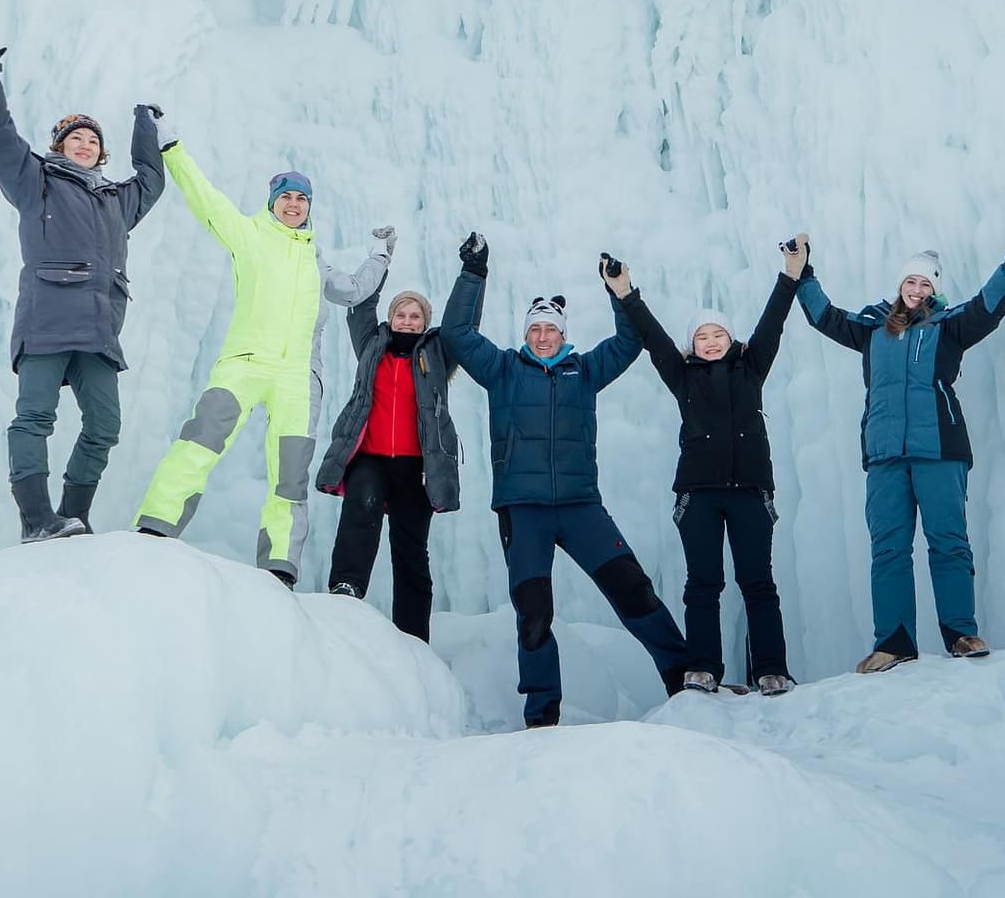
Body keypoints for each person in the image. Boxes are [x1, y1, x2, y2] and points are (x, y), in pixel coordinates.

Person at [440, 233, 692, 728]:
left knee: (633, 589)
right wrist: (474, 273)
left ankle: (684, 679)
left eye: (549, 329)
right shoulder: (504, 370)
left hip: (581, 507)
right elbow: (458, 334)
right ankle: (542, 715)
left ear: (562, 333)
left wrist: (619, 291)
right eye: (534, 328)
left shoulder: (586, 370)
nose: (541, 336)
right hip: (524, 509)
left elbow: (630, 342)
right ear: (527, 332)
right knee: (534, 613)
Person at [130, 135, 391, 587]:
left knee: (290, 475)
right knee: (200, 441)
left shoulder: (315, 260)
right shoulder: (249, 236)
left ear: (309, 207)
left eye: (301, 199)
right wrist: (172, 149)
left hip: (297, 378)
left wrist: (381, 255)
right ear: (272, 203)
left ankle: (279, 566)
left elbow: (352, 290)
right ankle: (156, 524)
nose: (293, 205)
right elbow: (207, 202)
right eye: (285, 197)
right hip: (244, 363)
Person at [794, 217, 1005, 673]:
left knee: (948, 541)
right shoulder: (872, 327)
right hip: (887, 455)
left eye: (924, 282)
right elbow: (824, 317)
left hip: (939, 450)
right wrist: (804, 275)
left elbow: (988, 307)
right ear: (899, 286)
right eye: (909, 280)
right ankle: (893, 642)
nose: (915, 288)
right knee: (888, 546)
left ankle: (961, 633)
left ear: (933, 290)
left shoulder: (949, 327)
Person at [0, 26, 166, 542]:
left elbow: (151, 179)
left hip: (99, 330)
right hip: (48, 320)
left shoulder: (117, 200)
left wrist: (144, 122)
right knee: (34, 417)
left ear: (101, 154)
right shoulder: (37, 182)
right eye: (75, 137)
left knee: (104, 426)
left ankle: (74, 515)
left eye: (93, 140)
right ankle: (36, 519)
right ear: (60, 147)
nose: (85, 143)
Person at [620, 245, 803, 696]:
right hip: (698, 495)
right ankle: (702, 667)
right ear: (692, 345)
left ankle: (771, 669)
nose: (712, 341)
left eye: (718, 334)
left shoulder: (752, 367)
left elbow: (773, 323)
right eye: (702, 336)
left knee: (758, 582)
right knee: (703, 583)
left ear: (731, 337)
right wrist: (626, 293)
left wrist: (790, 276)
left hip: (750, 492)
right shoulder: (683, 378)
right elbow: (653, 337)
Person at [314, 272, 478, 642]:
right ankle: (346, 587)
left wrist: (472, 273)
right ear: (391, 318)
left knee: (411, 549)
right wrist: (380, 259)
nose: (407, 321)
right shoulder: (372, 347)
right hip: (370, 458)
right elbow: (360, 307)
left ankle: (414, 636)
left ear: (426, 322)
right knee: (362, 506)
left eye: (415, 315)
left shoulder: (437, 355)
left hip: (416, 467)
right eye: (401, 314)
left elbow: (462, 323)